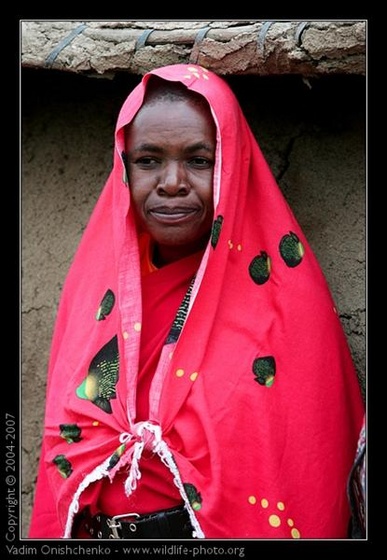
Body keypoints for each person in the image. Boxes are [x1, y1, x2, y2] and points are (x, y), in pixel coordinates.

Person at [28, 63, 365, 540]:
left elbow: (304, 465)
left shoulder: (283, 305)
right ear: (123, 167)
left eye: (199, 160)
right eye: (148, 160)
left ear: (233, 166)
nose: (171, 182)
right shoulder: (93, 300)